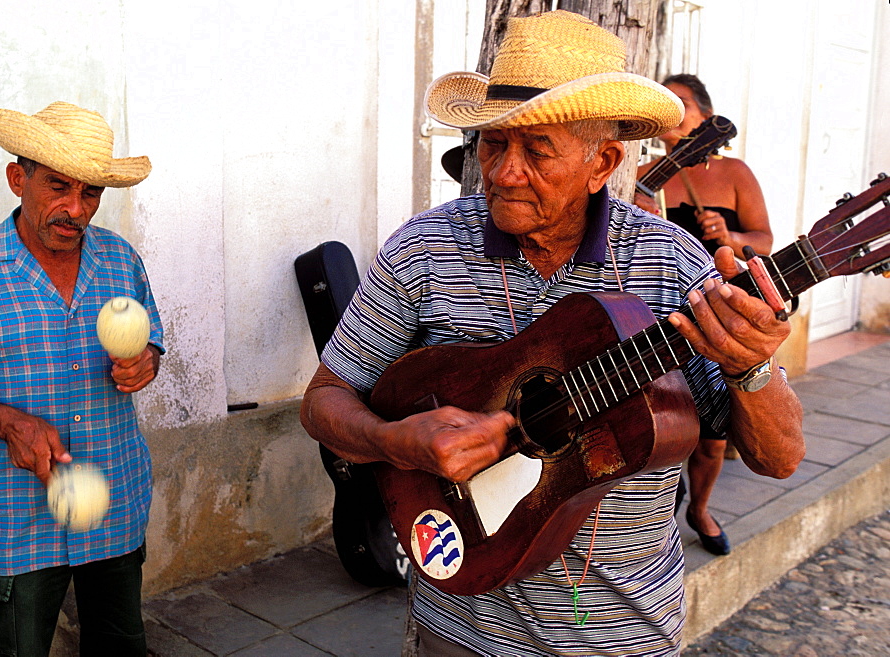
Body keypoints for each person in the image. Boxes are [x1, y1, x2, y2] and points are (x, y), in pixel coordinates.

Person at [300, 11, 804, 657]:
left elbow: (780, 457)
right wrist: (394, 440)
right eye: (493, 143)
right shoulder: (424, 248)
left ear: (604, 162)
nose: (503, 172)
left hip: (623, 635)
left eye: (537, 150)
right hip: (459, 630)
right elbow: (324, 399)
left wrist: (750, 367)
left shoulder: (673, 264)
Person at [0, 101, 163, 656]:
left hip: (114, 500)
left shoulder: (121, 261)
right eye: (57, 187)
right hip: (16, 517)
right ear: (17, 179)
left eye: (91, 192)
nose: (76, 209)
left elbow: (151, 345)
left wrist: (146, 363)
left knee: (120, 646)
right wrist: (7, 423)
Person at [636, 74, 774, 556]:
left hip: (722, 306)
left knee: (713, 435)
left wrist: (730, 238)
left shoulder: (734, 172)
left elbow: (765, 240)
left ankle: (700, 508)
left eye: (682, 104)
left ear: (704, 115)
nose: (673, 113)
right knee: (664, 419)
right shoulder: (648, 174)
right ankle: (657, 511)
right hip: (664, 311)